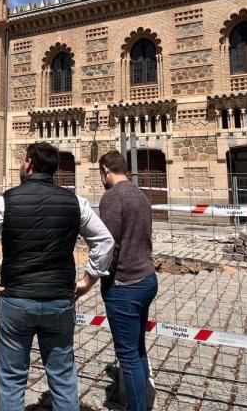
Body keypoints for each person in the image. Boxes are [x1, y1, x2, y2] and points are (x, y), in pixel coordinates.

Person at [0, 141, 114, 411]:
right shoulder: (75, 202)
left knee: (12, 378)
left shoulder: (5, 201)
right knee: (63, 376)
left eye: (23, 160)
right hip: (59, 300)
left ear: (30, 164)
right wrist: (88, 280)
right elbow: (105, 242)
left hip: (16, 300)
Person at [97, 150, 158, 411]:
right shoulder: (140, 195)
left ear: (105, 171)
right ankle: (144, 401)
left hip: (125, 284)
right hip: (147, 278)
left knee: (128, 357)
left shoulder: (112, 197)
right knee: (138, 348)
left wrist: (100, 278)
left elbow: (108, 245)